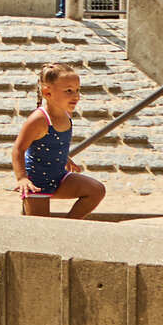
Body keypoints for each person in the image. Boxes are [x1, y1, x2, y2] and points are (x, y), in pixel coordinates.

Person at [13, 62, 104, 218]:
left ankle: (68, 225)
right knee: (39, 227)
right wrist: (22, 178)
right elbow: (18, 149)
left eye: (77, 90)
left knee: (96, 190)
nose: (76, 96)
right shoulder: (39, 119)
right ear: (47, 93)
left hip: (59, 176)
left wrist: (63, 157)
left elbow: (53, 143)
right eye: (68, 91)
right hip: (37, 183)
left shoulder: (66, 113)